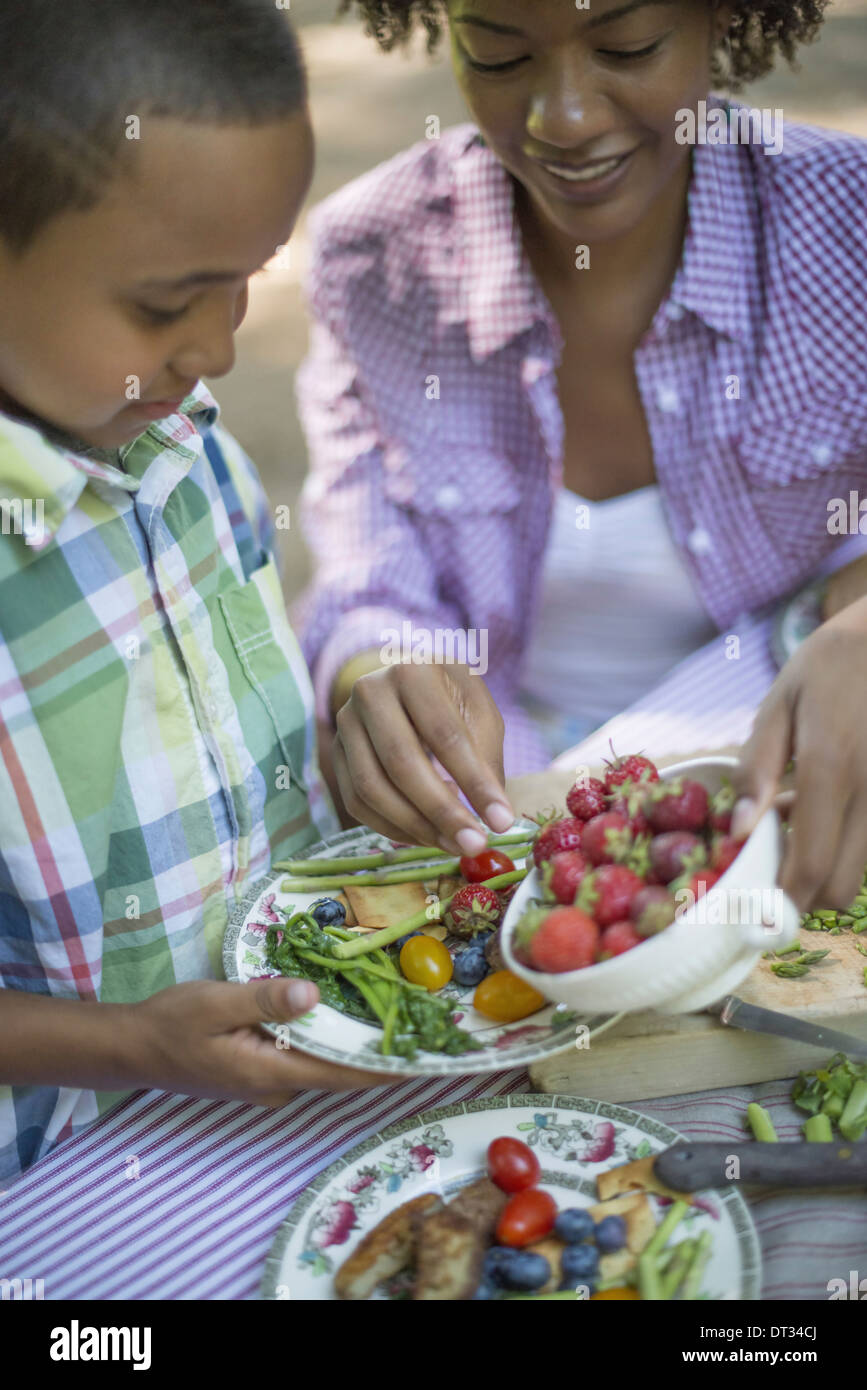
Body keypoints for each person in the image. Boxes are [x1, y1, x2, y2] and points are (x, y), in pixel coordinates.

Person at [0, 0, 511, 1184]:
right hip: (71, 1188)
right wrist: (128, 1045)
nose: (220, 348)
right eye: (165, 304)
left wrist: (369, 737)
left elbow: (228, 768)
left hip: (292, 1113)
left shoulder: (186, 441)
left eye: (248, 281)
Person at [294, 0, 867, 918]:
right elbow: (372, 580)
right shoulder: (372, 258)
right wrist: (383, 678)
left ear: (721, 18)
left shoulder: (845, 227)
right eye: (495, 53)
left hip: (793, 795)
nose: (562, 117)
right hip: (507, 818)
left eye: (626, 47)